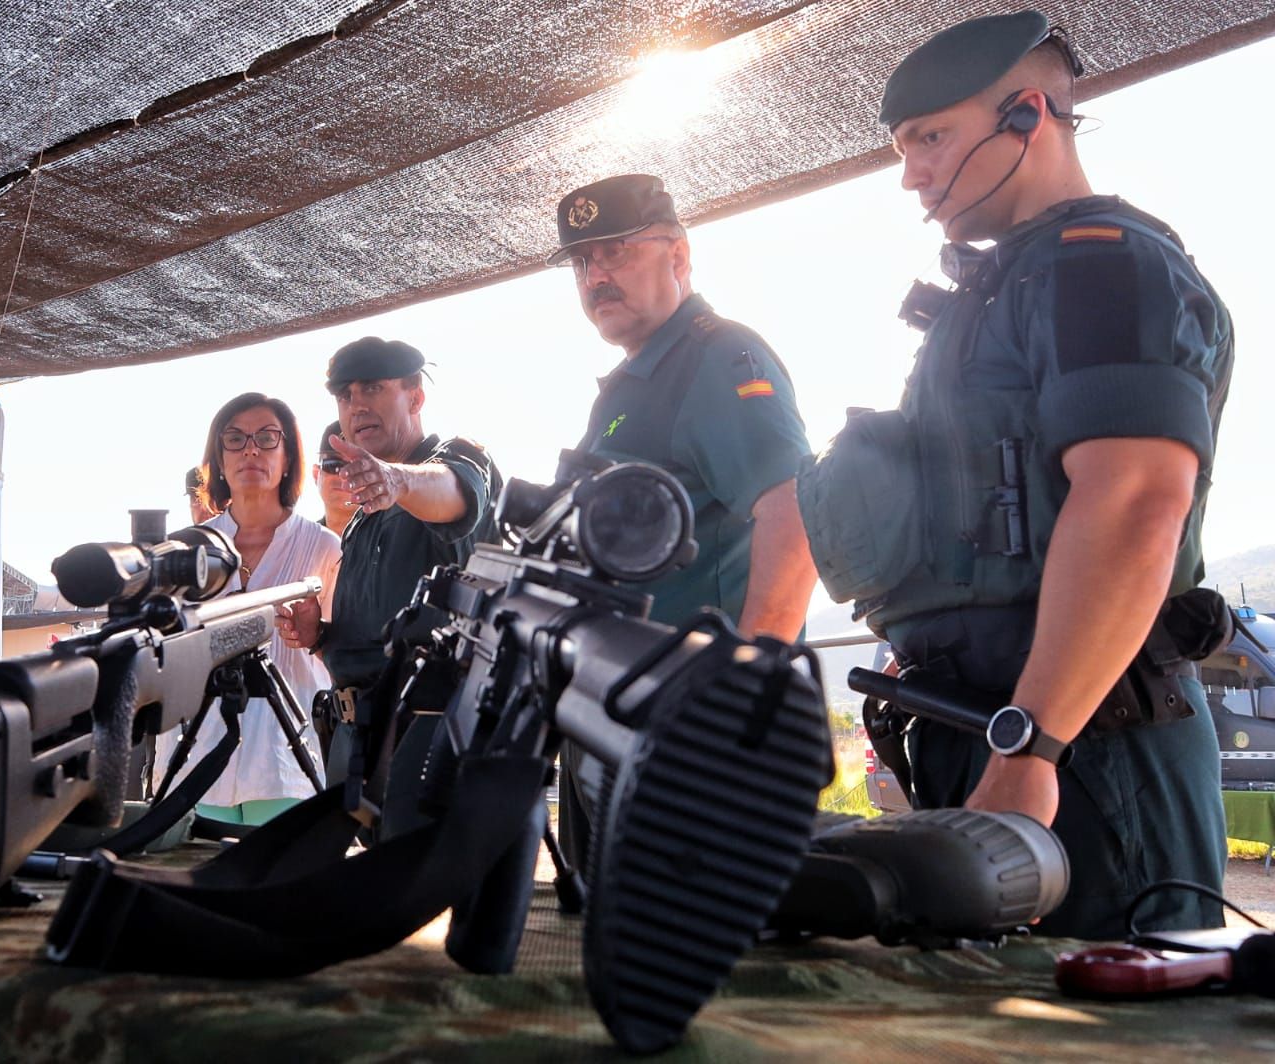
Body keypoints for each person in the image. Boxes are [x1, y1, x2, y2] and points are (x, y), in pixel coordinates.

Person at [798, 11, 1234, 937]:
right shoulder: (1006, 287)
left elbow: (1134, 504)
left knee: (1113, 1027)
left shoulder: (1105, 272)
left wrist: (1031, 743)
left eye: (930, 138)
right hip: (992, 733)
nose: (910, 172)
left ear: (1028, 116)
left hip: (1085, 746)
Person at [547, 173, 816, 638]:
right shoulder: (635, 382)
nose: (596, 278)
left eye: (615, 251)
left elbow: (795, 512)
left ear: (678, 256)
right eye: (581, 263)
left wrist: (750, 674)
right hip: (628, 688)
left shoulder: (715, 357)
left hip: (699, 696)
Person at [276, 337, 499, 785]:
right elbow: (375, 642)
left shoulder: (456, 460)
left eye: (373, 389)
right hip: (363, 746)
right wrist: (319, 638)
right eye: (345, 396)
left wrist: (397, 480)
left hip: (433, 746)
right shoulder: (363, 513)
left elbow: (454, 491)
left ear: (415, 397)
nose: (356, 407)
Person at [153, 392, 341, 826]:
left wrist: (315, 636)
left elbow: (341, 657)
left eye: (267, 437)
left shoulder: (324, 548)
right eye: (234, 439)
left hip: (286, 763)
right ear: (217, 459)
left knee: (279, 889)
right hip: (193, 758)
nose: (250, 449)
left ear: (289, 457)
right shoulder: (185, 550)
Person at [310, 420, 354, 535]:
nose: (344, 475)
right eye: (333, 465)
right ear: (316, 474)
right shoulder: (300, 545)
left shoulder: (396, 538)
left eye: (356, 468)